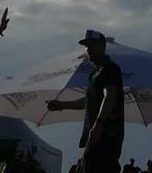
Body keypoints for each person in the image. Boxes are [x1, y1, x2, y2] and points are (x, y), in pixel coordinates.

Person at [48, 32, 128, 173]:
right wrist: (62, 105)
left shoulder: (110, 69)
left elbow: (109, 95)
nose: (88, 49)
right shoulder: (93, 74)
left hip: (106, 135)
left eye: (91, 45)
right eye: (87, 46)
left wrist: (99, 124)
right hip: (94, 136)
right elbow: (88, 101)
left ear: (102, 47)